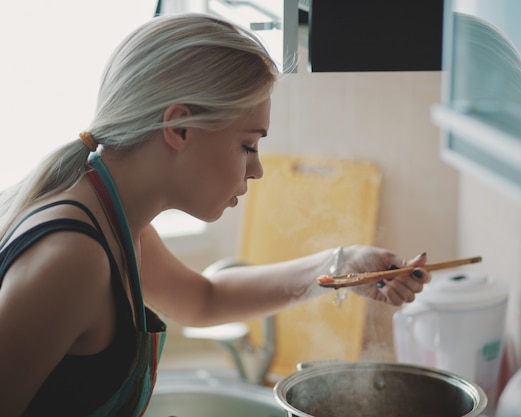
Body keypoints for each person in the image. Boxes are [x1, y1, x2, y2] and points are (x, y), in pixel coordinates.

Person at [0, 12, 431, 416]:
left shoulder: (116, 221)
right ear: (179, 128)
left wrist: (341, 265)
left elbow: (203, 300)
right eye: (248, 144)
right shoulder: (74, 257)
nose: (257, 169)